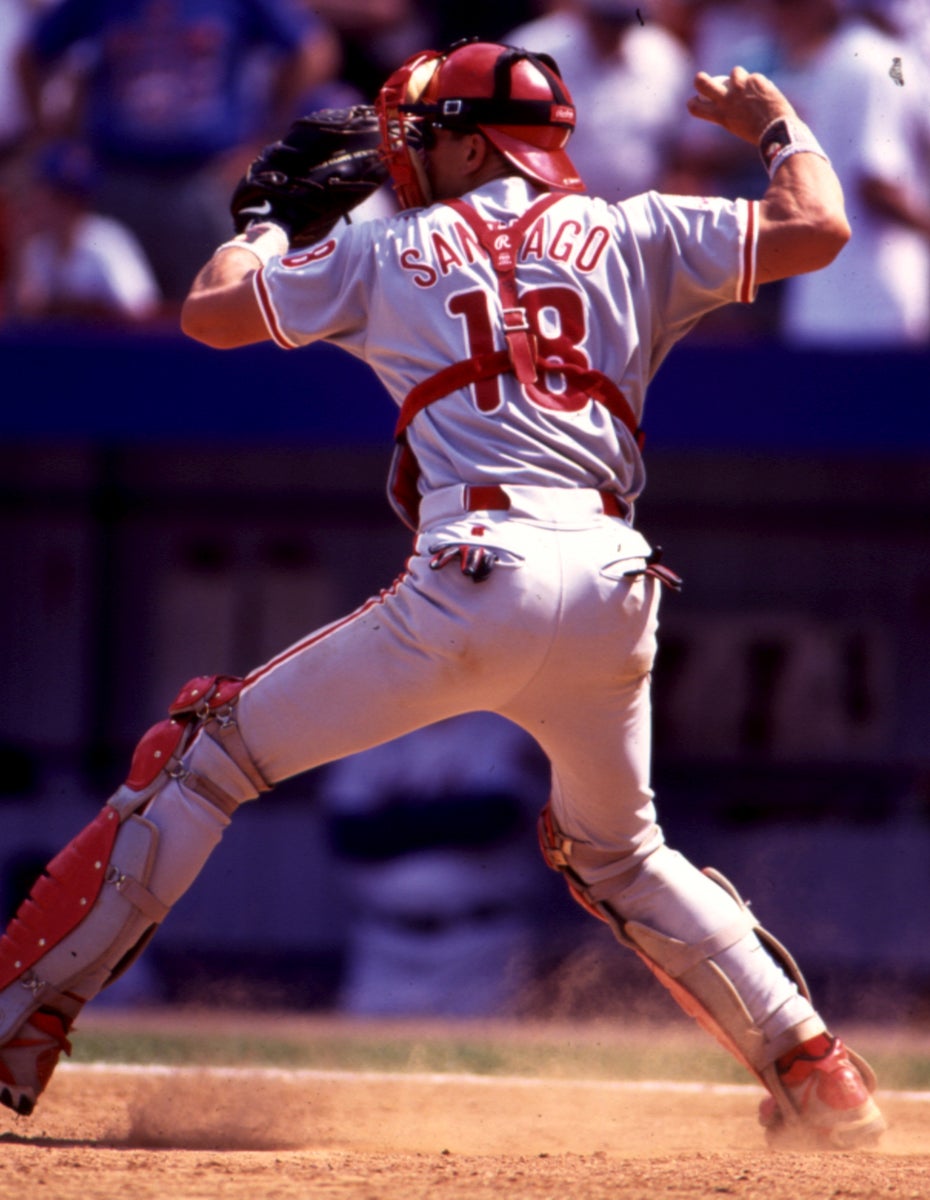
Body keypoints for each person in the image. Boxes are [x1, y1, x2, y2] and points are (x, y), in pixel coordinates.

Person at [0, 40, 886, 1149]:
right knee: (621, 853)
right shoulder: (640, 226)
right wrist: (776, 126)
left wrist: (272, 222)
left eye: (423, 138)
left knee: (201, 756)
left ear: (474, 141)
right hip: (616, 579)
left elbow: (212, 314)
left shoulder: (393, 246)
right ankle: (817, 1074)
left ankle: (17, 1016)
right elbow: (819, 226)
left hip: (474, 568)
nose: (404, 157)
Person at [15, 0, 341, 305]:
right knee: (118, 320)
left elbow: (312, 49)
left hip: (204, 181)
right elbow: (30, 56)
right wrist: (49, 135)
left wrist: (266, 140)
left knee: (219, 308)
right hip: (116, 181)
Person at [320, 712, 551, 1017]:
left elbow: (492, 820)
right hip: (385, 943)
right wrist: (448, 815)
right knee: (368, 1055)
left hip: (481, 943)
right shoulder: (370, 729)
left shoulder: (500, 727)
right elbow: (350, 835)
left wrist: (395, 817)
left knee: (485, 1056)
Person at [762, 0, 930, 348]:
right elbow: (876, 183)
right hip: (872, 307)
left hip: (832, 302)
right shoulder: (878, 63)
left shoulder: (846, 57)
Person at [503, 1, 694, 201]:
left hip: (634, 219)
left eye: (623, 22)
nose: (613, 32)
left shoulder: (665, 56)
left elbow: (683, 150)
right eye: (606, 20)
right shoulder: (535, 47)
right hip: (548, 216)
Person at [7, 140, 161, 324]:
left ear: (68, 202)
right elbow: (27, 311)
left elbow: (141, 310)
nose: (35, 203)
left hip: (108, 349)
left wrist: (79, 308)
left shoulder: (108, 241)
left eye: (45, 195)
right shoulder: (36, 248)